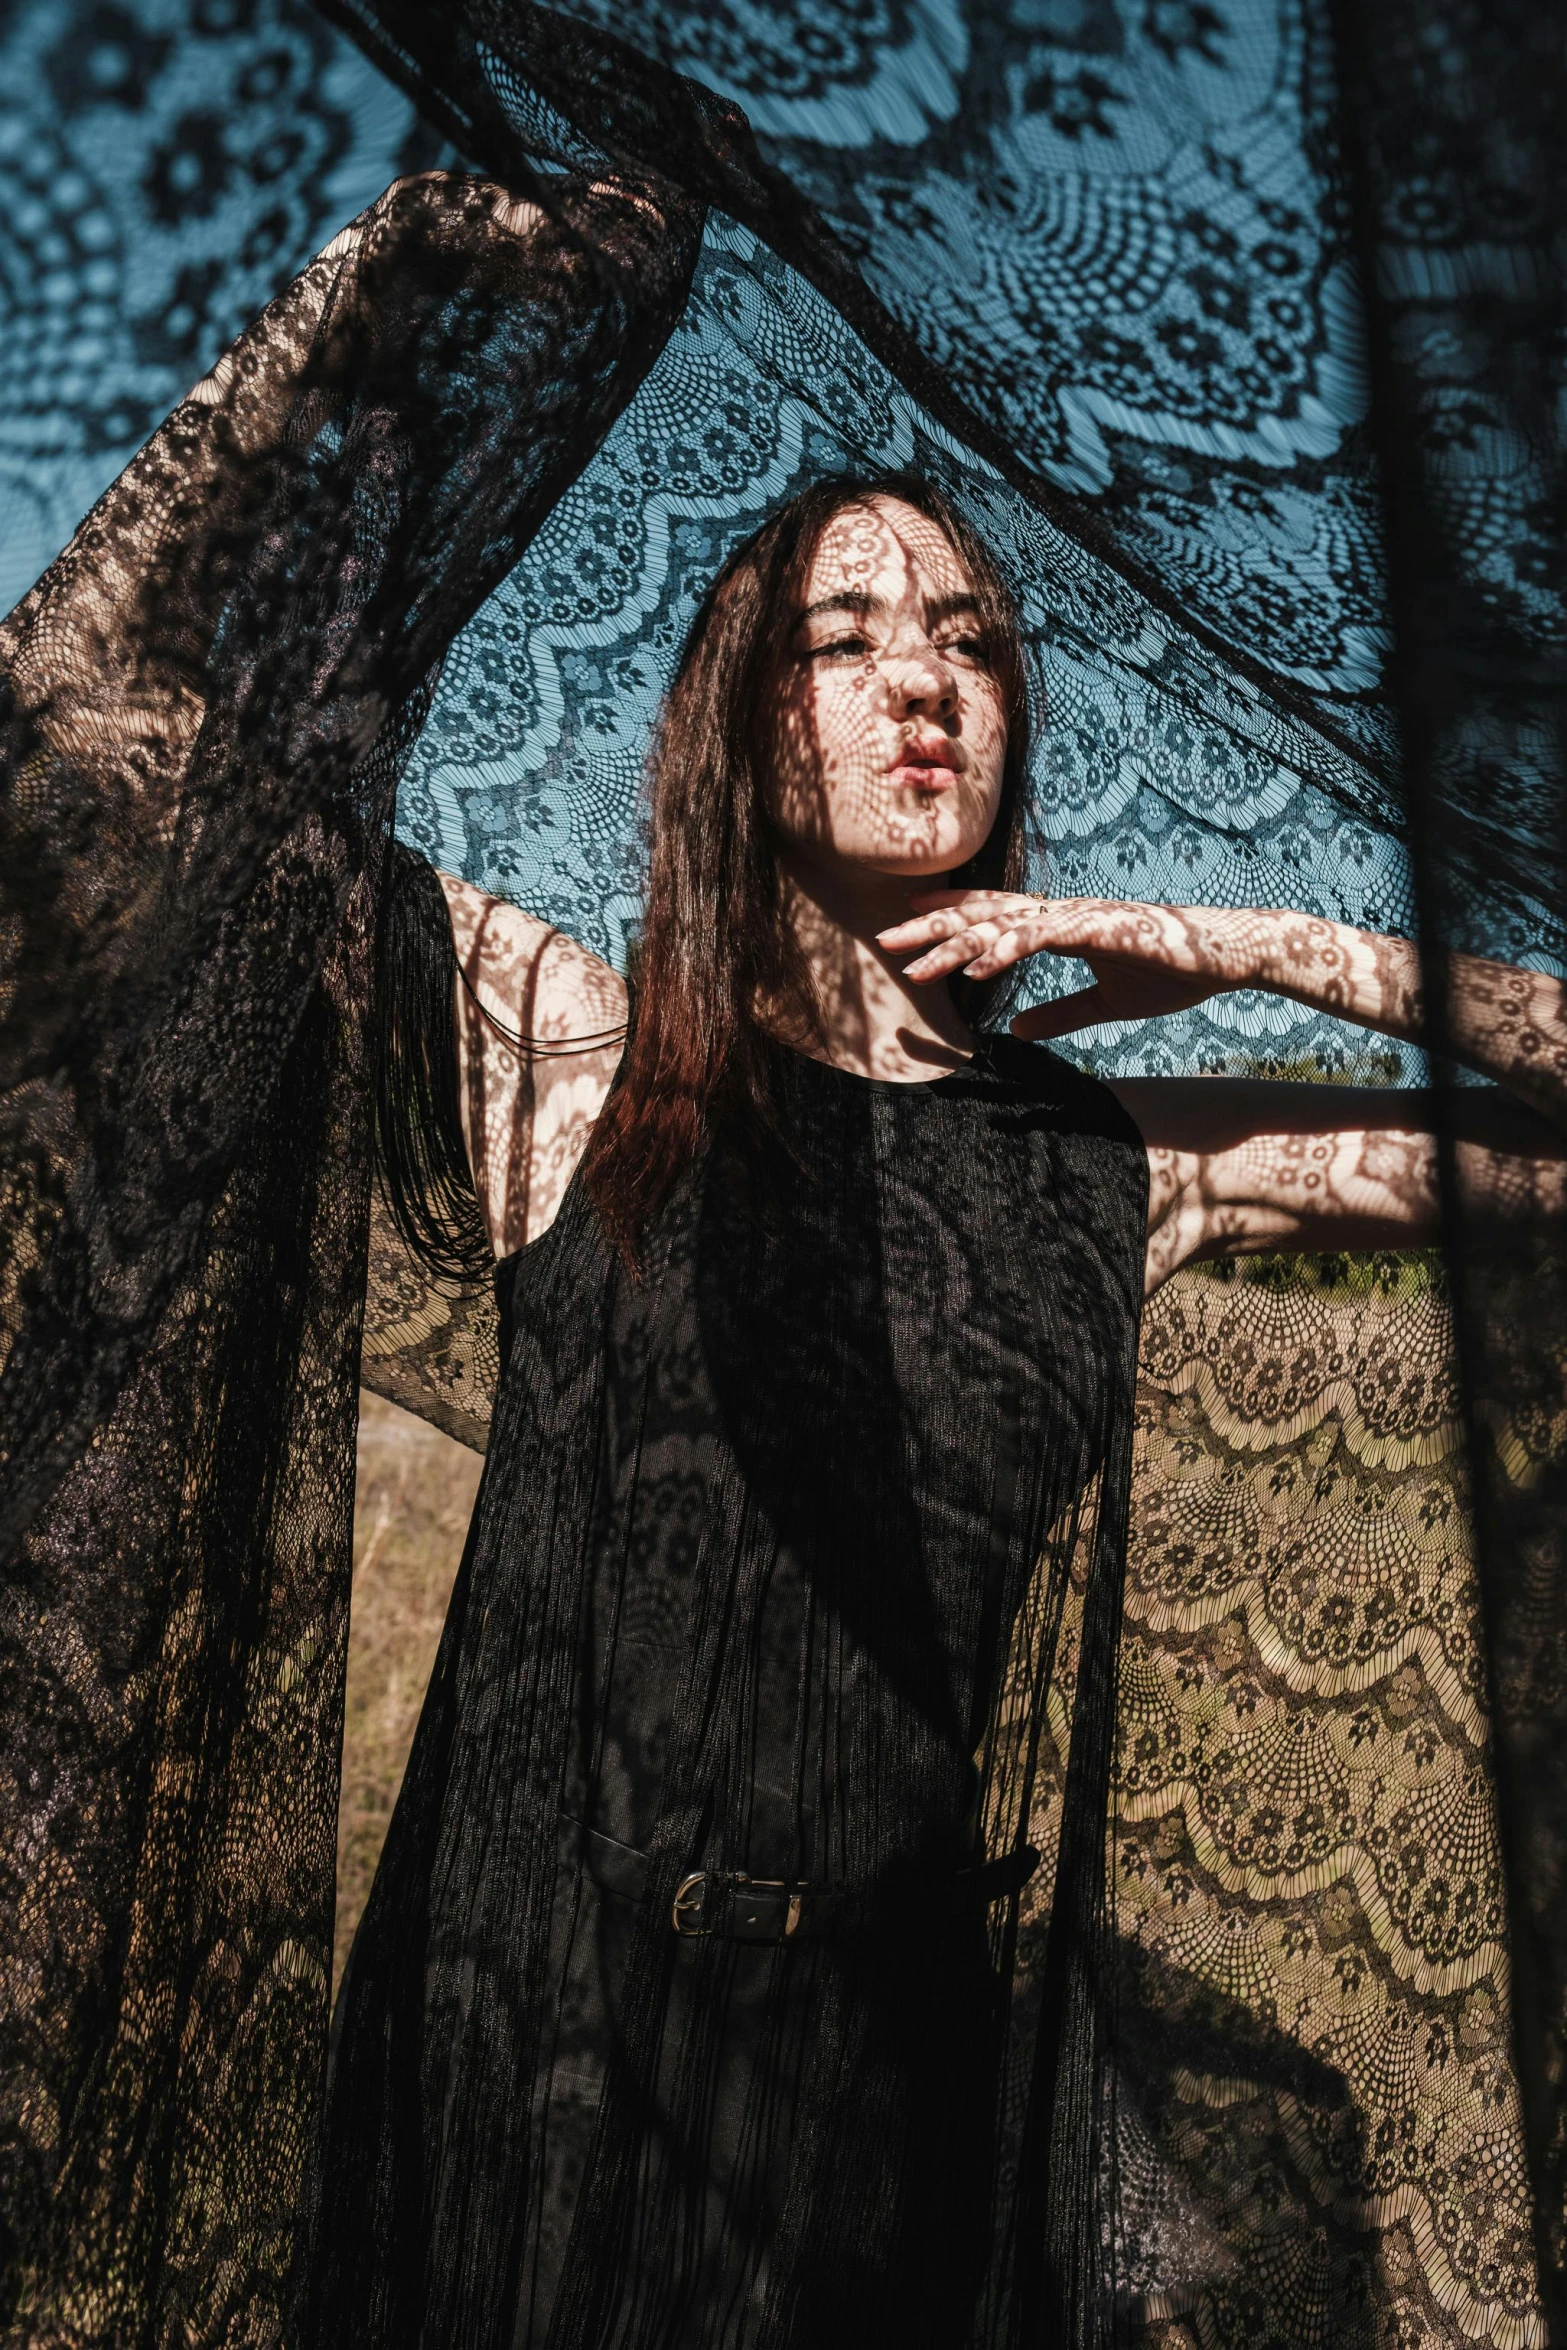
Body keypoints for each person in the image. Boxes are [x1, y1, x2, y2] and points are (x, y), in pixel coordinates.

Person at [306, 472, 1567, 2344]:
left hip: (886, 2106)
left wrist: (1255, 947)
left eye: (971, 640)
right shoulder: (575, 1061)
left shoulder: (1118, 1164)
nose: (926, 683)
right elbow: (141, 757)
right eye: (845, 638)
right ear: (738, 720)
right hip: (540, 2052)